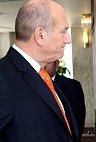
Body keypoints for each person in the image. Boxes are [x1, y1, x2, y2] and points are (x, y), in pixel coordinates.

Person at [0, 0, 79, 142]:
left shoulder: (42, 76)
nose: (68, 39)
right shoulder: (3, 79)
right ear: (40, 35)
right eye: (64, 31)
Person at [44, 60, 86, 141]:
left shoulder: (72, 86)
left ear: (57, 64)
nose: (44, 66)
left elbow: (77, 121)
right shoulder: (31, 86)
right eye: (42, 62)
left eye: (48, 62)